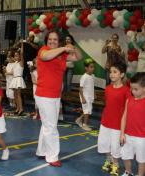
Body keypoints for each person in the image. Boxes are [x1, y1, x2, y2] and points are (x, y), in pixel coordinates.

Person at [35, 30, 82, 167]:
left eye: (55, 39)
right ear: (46, 40)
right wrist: (63, 48)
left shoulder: (62, 54)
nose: (52, 41)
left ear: (59, 41)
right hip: (44, 95)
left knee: (47, 125)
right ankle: (52, 156)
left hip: (55, 95)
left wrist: (73, 47)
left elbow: (78, 57)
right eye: (50, 39)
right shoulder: (43, 51)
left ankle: (42, 151)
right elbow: (46, 57)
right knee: (51, 126)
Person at [97, 60, 130, 176]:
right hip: (105, 123)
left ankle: (115, 164)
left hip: (117, 125)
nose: (111, 74)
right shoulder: (107, 88)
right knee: (104, 144)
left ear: (122, 74)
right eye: (110, 72)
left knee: (116, 147)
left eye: (115, 72)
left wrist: (123, 129)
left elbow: (126, 110)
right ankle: (109, 160)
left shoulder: (126, 90)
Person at [120, 72, 145, 176]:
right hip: (128, 135)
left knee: (141, 159)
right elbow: (124, 117)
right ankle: (128, 172)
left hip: (141, 137)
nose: (132, 91)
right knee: (125, 156)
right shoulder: (129, 100)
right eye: (131, 88)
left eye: (136, 89)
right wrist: (122, 133)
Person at [76, 58, 95, 131]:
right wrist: (83, 98)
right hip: (85, 96)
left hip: (90, 96)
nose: (93, 68)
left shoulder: (92, 76)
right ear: (86, 68)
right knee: (87, 111)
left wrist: (94, 94)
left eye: (93, 67)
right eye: (91, 67)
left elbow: (92, 86)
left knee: (88, 110)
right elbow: (80, 88)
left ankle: (79, 120)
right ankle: (85, 124)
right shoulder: (84, 77)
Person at [9, 42, 26, 116]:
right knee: (15, 94)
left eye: (17, 56)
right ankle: (18, 108)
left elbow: (22, 53)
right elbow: (12, 72)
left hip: (18, 79)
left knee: (18, 94)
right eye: (15, 56)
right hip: (14, 79)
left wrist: (22, 44)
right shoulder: (14, 63)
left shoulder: (21, 63)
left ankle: (21, 109)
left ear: (19, 57)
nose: (16, 57)